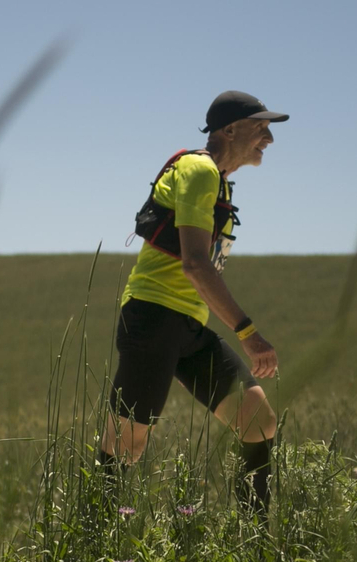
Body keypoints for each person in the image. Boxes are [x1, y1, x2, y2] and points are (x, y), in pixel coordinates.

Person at [99, 90, 288, 515]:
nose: (269, 139)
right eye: (261, 128)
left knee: (258, 420)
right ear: (230, 129)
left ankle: (253, 542)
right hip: (152, 318)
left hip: (186, 324)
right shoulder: (200, 171)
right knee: (127, 446)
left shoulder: (217, 180)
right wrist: (249, 334)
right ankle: (93, 549)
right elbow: (196, 266)